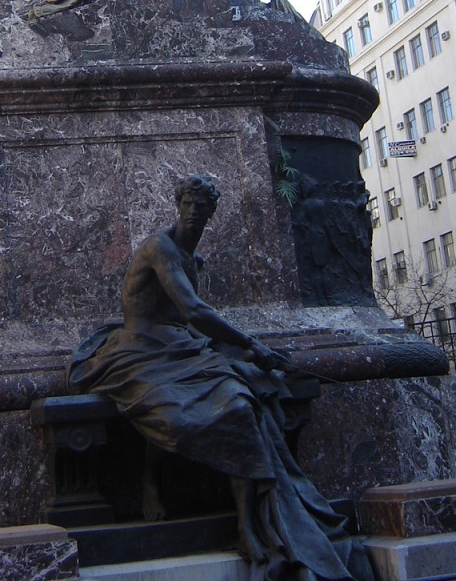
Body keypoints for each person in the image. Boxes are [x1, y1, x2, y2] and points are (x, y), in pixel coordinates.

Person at [68, 174, 373, 581]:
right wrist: (250, 343)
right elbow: (193, 310)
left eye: (202, 207)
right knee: (174, 404)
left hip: (180, 348)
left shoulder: (192, 259)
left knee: (240, 402)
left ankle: (248, 522)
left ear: (211, 213)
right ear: (178, 206)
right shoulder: (160, 247)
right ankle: (151, 479)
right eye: (188, 204)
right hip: (139, 351)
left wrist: (242, 351)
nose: (194, 212)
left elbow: (188, 321)